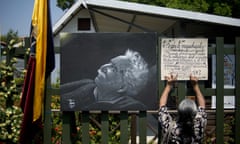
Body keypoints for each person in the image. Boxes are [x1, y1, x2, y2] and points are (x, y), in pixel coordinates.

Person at [61, 49, 151, 111]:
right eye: (110, 62)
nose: (104, 66)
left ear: (122, 87)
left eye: (113, 68)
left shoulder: (132, 108)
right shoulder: (87, 83)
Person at [159, 74, 207, 144]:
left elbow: (162, 106)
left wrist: (168, 85)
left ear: (179, 111)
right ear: (195, 112)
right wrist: (196, 86)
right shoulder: (199, 125)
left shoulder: (171, 128)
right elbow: (202, 106)